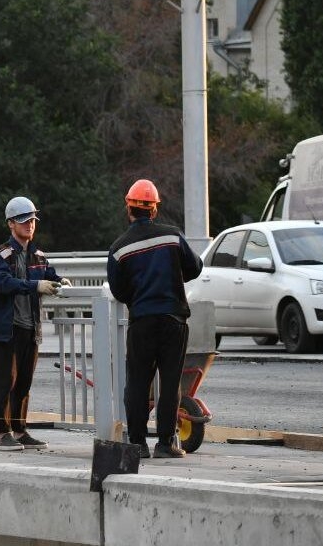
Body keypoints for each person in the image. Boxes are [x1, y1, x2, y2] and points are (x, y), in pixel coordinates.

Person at [106, 179, 204, 459]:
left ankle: (138, 444)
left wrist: (139, 296)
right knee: (171, 382)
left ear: (129, 208)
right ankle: (165, 443)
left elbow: (118, 290)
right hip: (174, 319)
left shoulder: (119, 248)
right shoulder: (172, 236)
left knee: (137, 382)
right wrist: (172, 277)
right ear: (154, 209)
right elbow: (195, 267)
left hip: (142, 321)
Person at [0, 196, 68, 451]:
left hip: (31, 328)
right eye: (23, 220)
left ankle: (20, 431)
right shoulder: (0, 256)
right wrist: (35, 285)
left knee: (24, 383)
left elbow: (49, 276)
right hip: (6, 329)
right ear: (10, 224)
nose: (29, 224)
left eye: (32, 219)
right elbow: (2, 283)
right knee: (4, 382)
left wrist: (61, 280)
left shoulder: (39, 255)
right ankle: (1, 433)